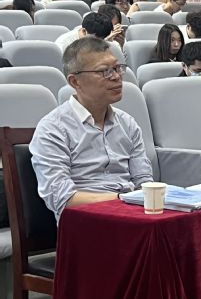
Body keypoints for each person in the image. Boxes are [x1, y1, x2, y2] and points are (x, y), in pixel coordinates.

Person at [29, 36, 153, 221]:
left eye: (117, 68)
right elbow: (62, 198)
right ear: (75, 81)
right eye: (104, 71)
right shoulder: (53, 129)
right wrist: (124, 199)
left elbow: (144, 181)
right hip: (85, 221)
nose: (116, 77)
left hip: (131, 214)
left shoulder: (127, 124)